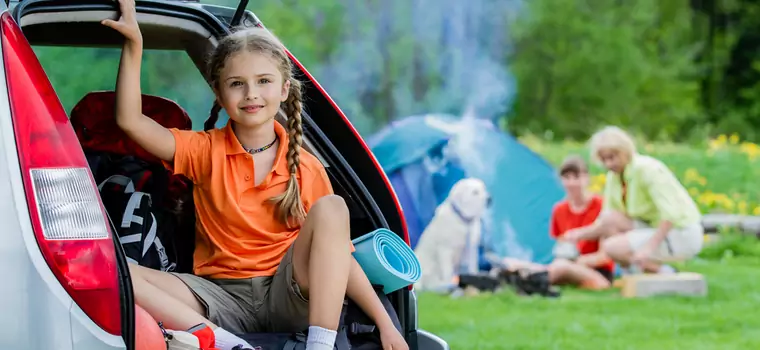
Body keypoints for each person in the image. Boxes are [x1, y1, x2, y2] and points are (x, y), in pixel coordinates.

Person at [101, 1, 408, 350]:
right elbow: (130, 121)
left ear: (284, 89)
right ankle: (227, 343)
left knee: (333, 208)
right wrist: (134, 45)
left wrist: (386, 324)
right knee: (117, 269)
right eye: (237, 83)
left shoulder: (304, 166)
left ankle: (320, 345)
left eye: (263, 81)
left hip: (289, 294)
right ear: (219, 93)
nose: (251, 94)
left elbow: (339, 257)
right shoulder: (204, 150)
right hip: (218, 299)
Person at [563, 126, 703, 274]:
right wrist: (578, 234)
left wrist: (647, 248)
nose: (608, 164)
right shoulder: (614, 177)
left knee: (611, 247)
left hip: (680, 232)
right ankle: (636, 271)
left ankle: (662, 270)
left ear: (625, 151)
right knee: (610, 218)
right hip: (651, 228)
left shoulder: (648, 170)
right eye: (604, 160)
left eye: (612, 157)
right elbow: (606, 220)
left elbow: (670, 216)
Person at [546, 155, 615, 290]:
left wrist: (575, 262)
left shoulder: (601, 205)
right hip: (568, 264)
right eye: (567, 178)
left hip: (597, 271)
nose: (571, 183)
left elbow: (605, 256)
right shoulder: (559, 210)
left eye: (576, 177)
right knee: (514, 264)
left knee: (561, 267)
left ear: (586, 178)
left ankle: (536, 281)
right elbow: (561, 246)